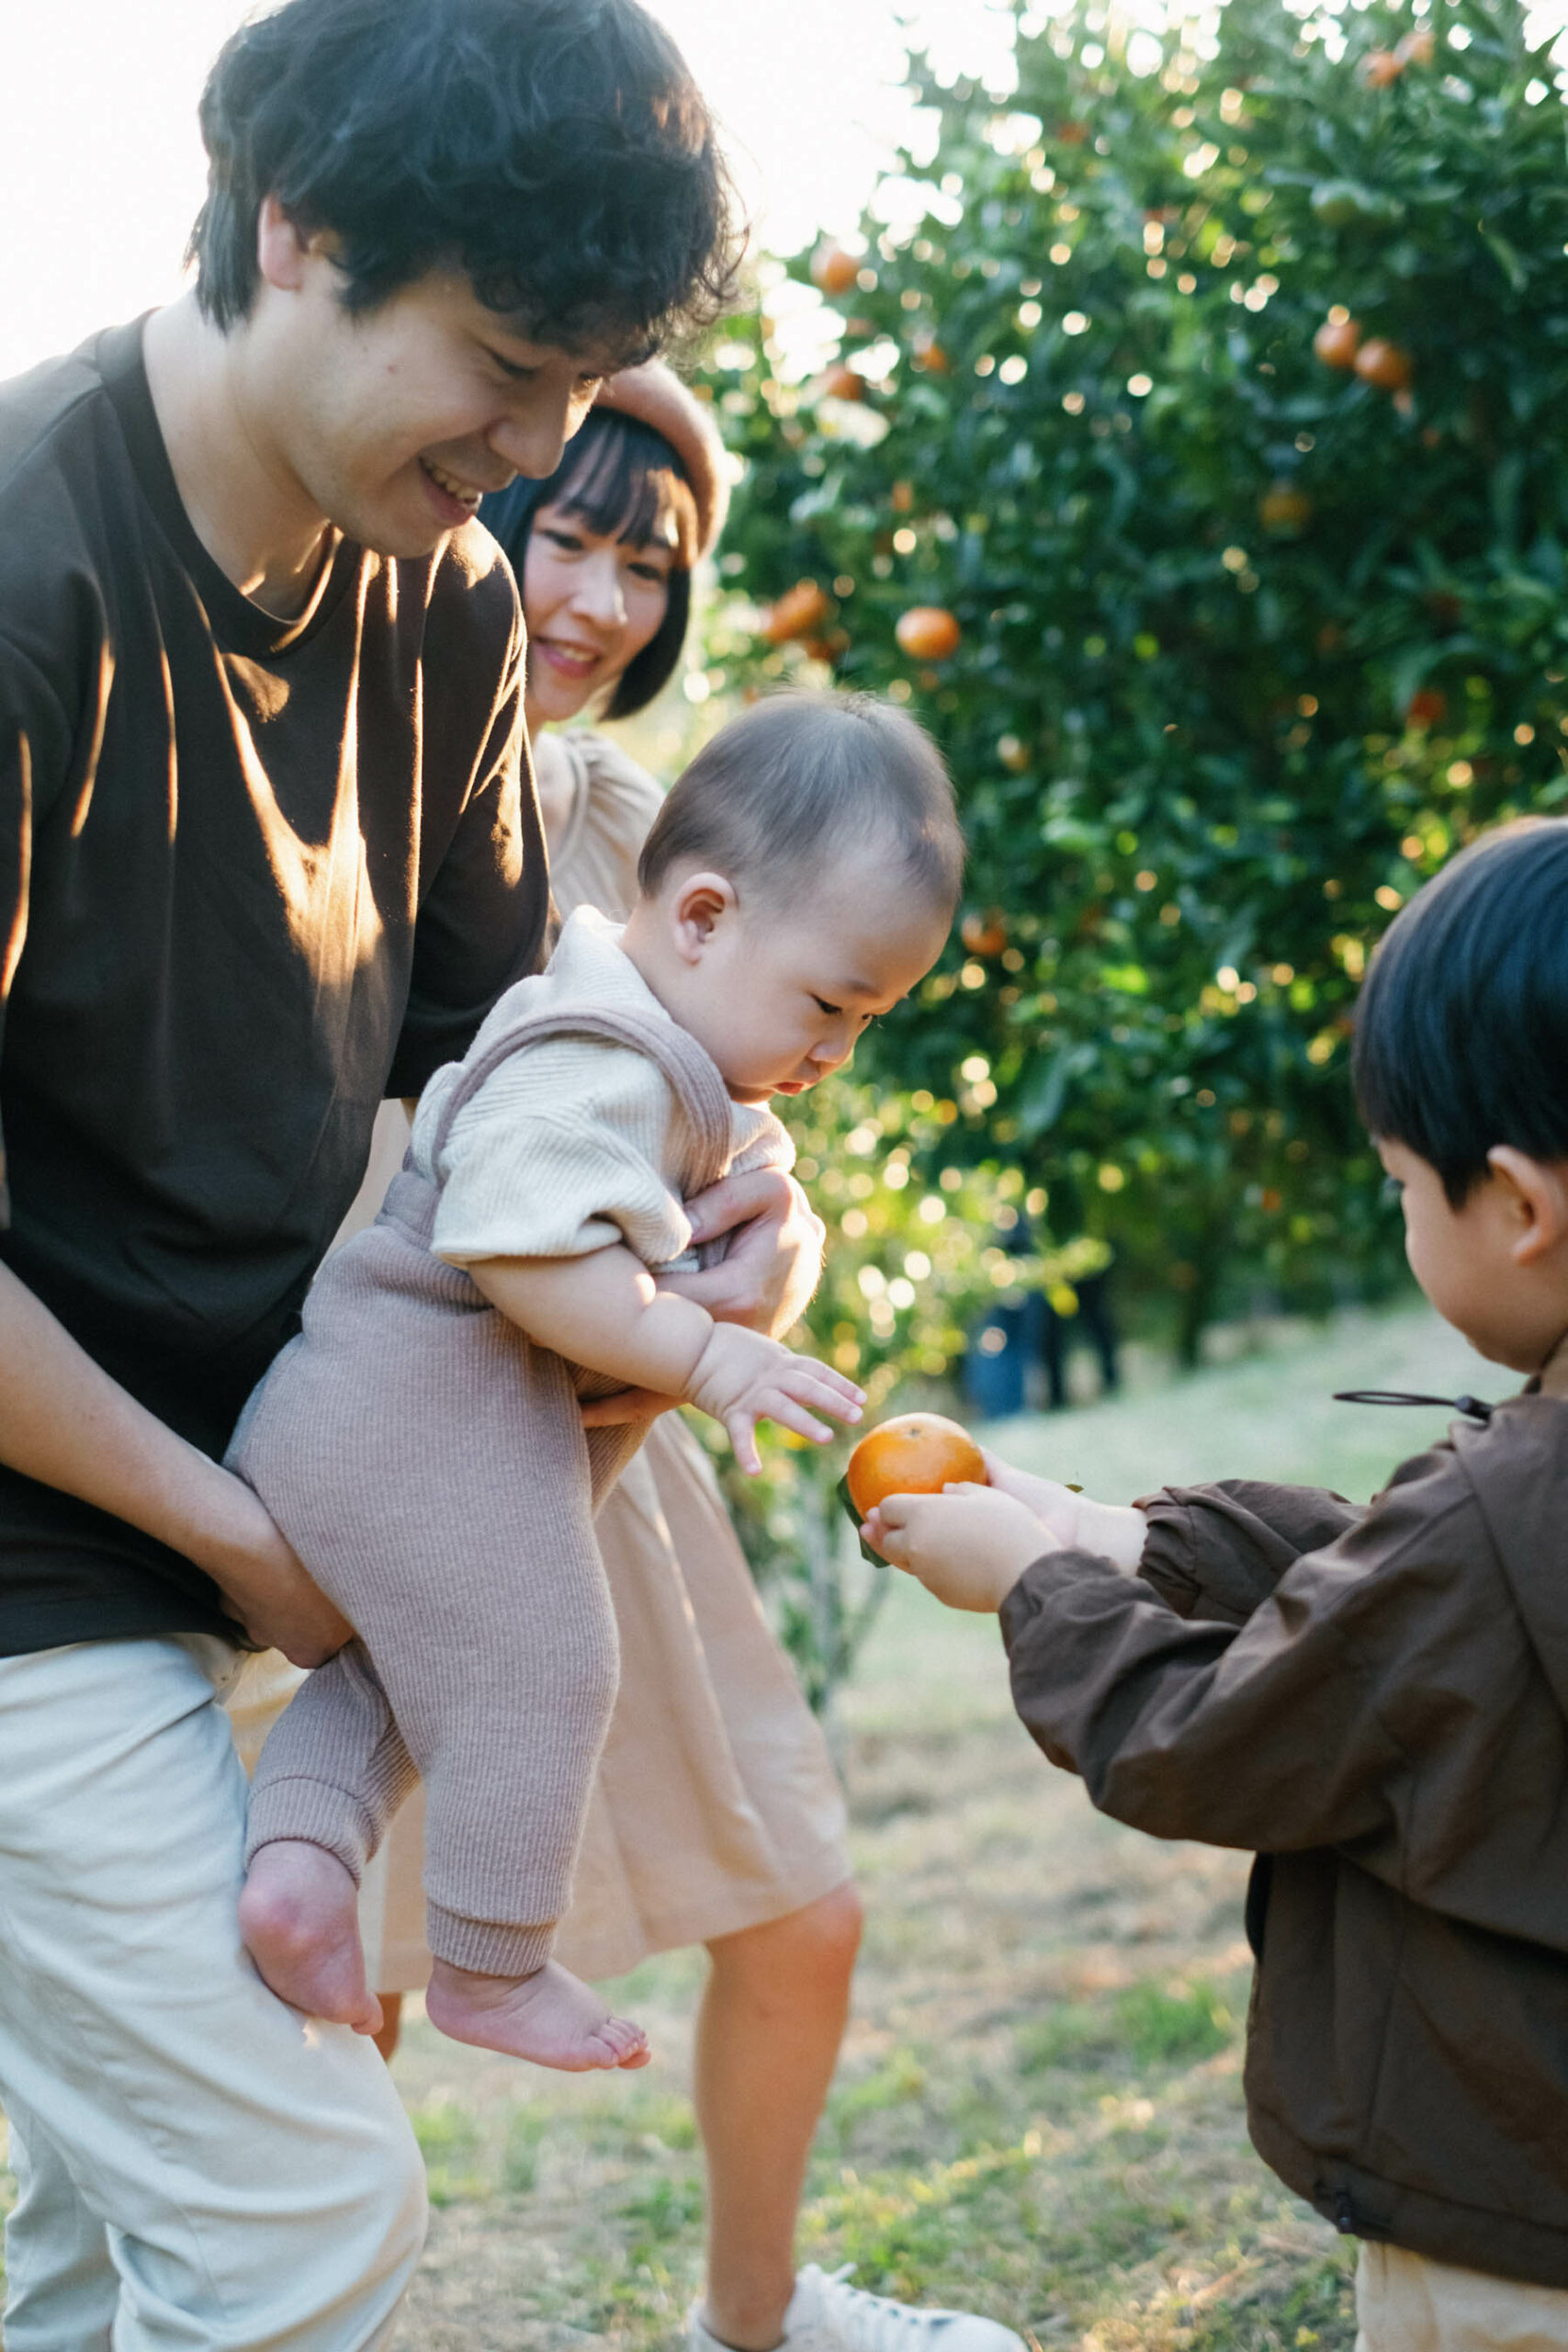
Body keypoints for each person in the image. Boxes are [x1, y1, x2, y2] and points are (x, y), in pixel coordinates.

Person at [0, 0, 751, 2339]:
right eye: (509, 365)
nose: (539, 454)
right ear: (293, 229)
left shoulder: (426, 593)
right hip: (45, 1549)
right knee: (296, 2220)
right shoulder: (28, 577)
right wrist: (254, 1539)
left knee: (95, 2236)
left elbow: (501, 1064)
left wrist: (691, 1203)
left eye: (590, 382)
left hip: (233, 1499)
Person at [864, 818, 1568, 2348]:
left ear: (1518, 1205)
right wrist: (1125, 1542)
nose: (1399, 1214)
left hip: (1508, 2223)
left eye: (1399, 1183)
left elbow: (1222, 1736)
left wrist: (1034, 1593)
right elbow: (1409, 1607)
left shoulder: (1501, 1512)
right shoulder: (1516, 1505)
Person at [233, 692, 954, 2072]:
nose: (834, 1053)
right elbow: (512, 1237)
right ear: (699, 918)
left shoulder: (644, 1046)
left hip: (384, 1432)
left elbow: (716, 1175)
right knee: (553, 1659)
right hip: (413, 1418)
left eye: (866, 1021)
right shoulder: (596, 1058)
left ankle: (301, 1866)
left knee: (395, 1676)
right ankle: (490, 1968)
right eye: (827, 1005)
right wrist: (703, 1351)